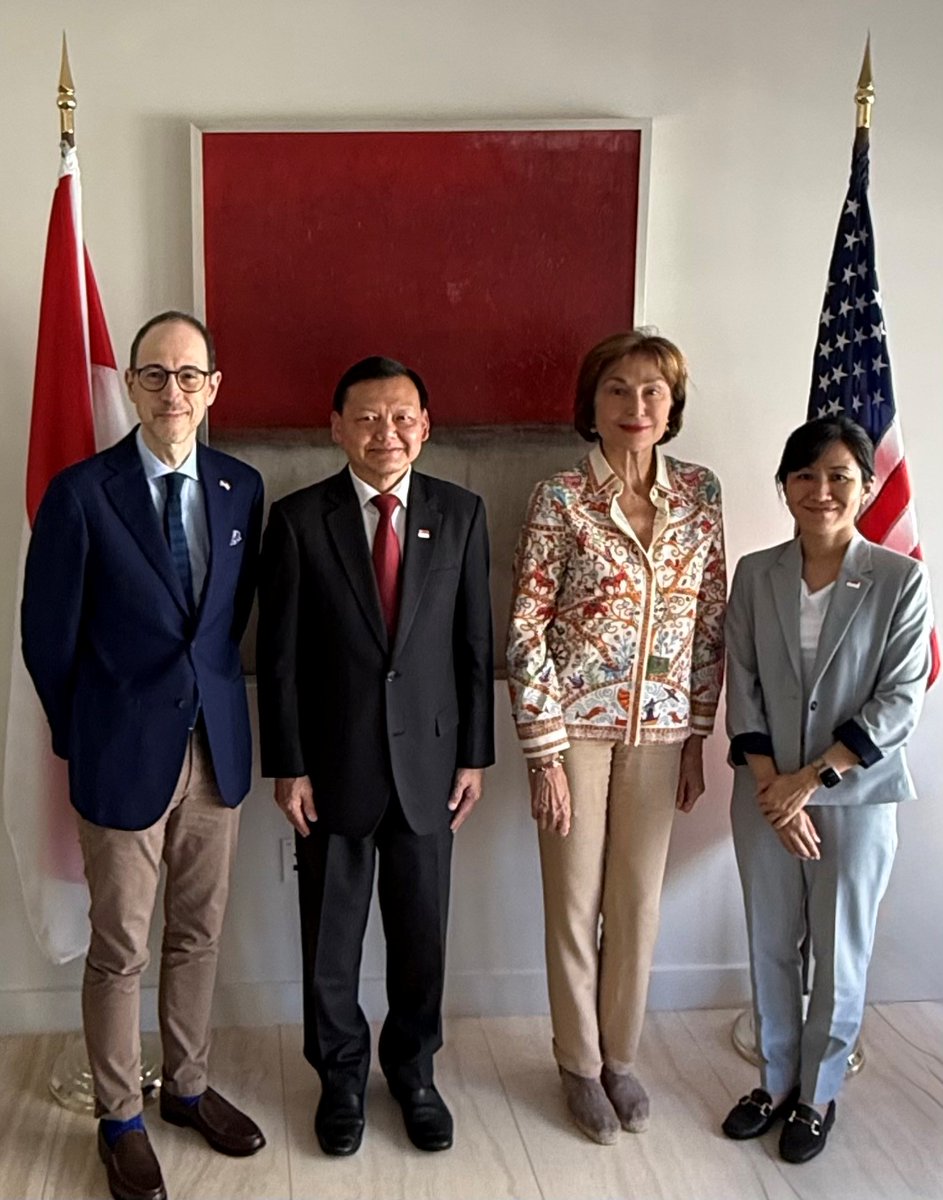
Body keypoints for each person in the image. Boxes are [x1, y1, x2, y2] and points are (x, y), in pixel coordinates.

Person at [22, 311, 266, 1200]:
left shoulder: (243, 488)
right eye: (155, 375)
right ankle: (120, 1116)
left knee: (199, 934)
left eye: (189, 375)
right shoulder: (81, 493)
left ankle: (188, 1089)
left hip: (216, 755)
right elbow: (47, 640)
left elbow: (225, 628)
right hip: (121, 756)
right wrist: (84, 730)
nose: (173, 392)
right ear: (131, 385)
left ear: (213, 388)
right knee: (121, 947)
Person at [256, 355, 494, 1157]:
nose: (384, 432)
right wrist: (286, 764)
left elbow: (472, 645)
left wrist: (475, 756)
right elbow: (279, 657)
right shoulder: (295, 521)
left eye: (401, 417)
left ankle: (414, 1074)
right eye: (365, 417)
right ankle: (340, 1078)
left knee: (422, 935)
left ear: (424, 428)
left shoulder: (460, 514)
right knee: (330, 940)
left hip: (431, 770)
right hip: (330, 772)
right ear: (335, 428)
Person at [506, 330, 726, 1144]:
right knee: (573, 902)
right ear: (590, 404)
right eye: (617, 390)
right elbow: (525, 627)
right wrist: (543, 752)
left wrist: (697, 734)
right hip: (573, 734)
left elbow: (708, 621)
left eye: (651, 393)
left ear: (670, 408)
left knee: (635, 902)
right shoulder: (559, 498)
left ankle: (620, 1057)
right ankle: (576, 1061)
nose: (635, 407)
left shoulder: (700, 495)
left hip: (661, 733)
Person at [722, 415, 932, 1163]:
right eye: (804, 476)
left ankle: (818, 1095)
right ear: (783, 487)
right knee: (770, 944)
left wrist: (810, 781)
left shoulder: (900, 578)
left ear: (866, 487)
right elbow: (740, 683)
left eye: (838, 476)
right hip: (764, 792)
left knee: (839, 952)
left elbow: (901, 696)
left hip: (852, 796)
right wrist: (772, 786)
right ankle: (775, 1081)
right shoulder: (754, 573)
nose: (821, 491)